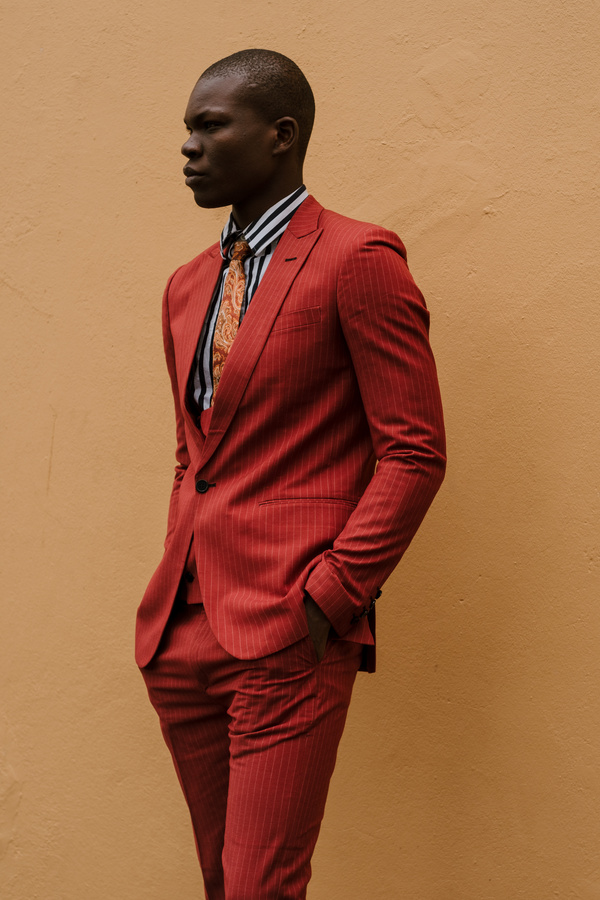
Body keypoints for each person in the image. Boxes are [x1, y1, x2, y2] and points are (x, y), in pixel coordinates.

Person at [136, 49, 446, 900]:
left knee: (261, 888)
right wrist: (175, 582)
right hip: (182, 634)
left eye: (210, 126)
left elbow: (415, 449)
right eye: (187, 130)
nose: (189, 148)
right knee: (220, 881)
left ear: (281, 136)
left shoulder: (359, 260)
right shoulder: (186, 287)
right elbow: (193, 453)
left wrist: (332, 596)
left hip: (287, 629)